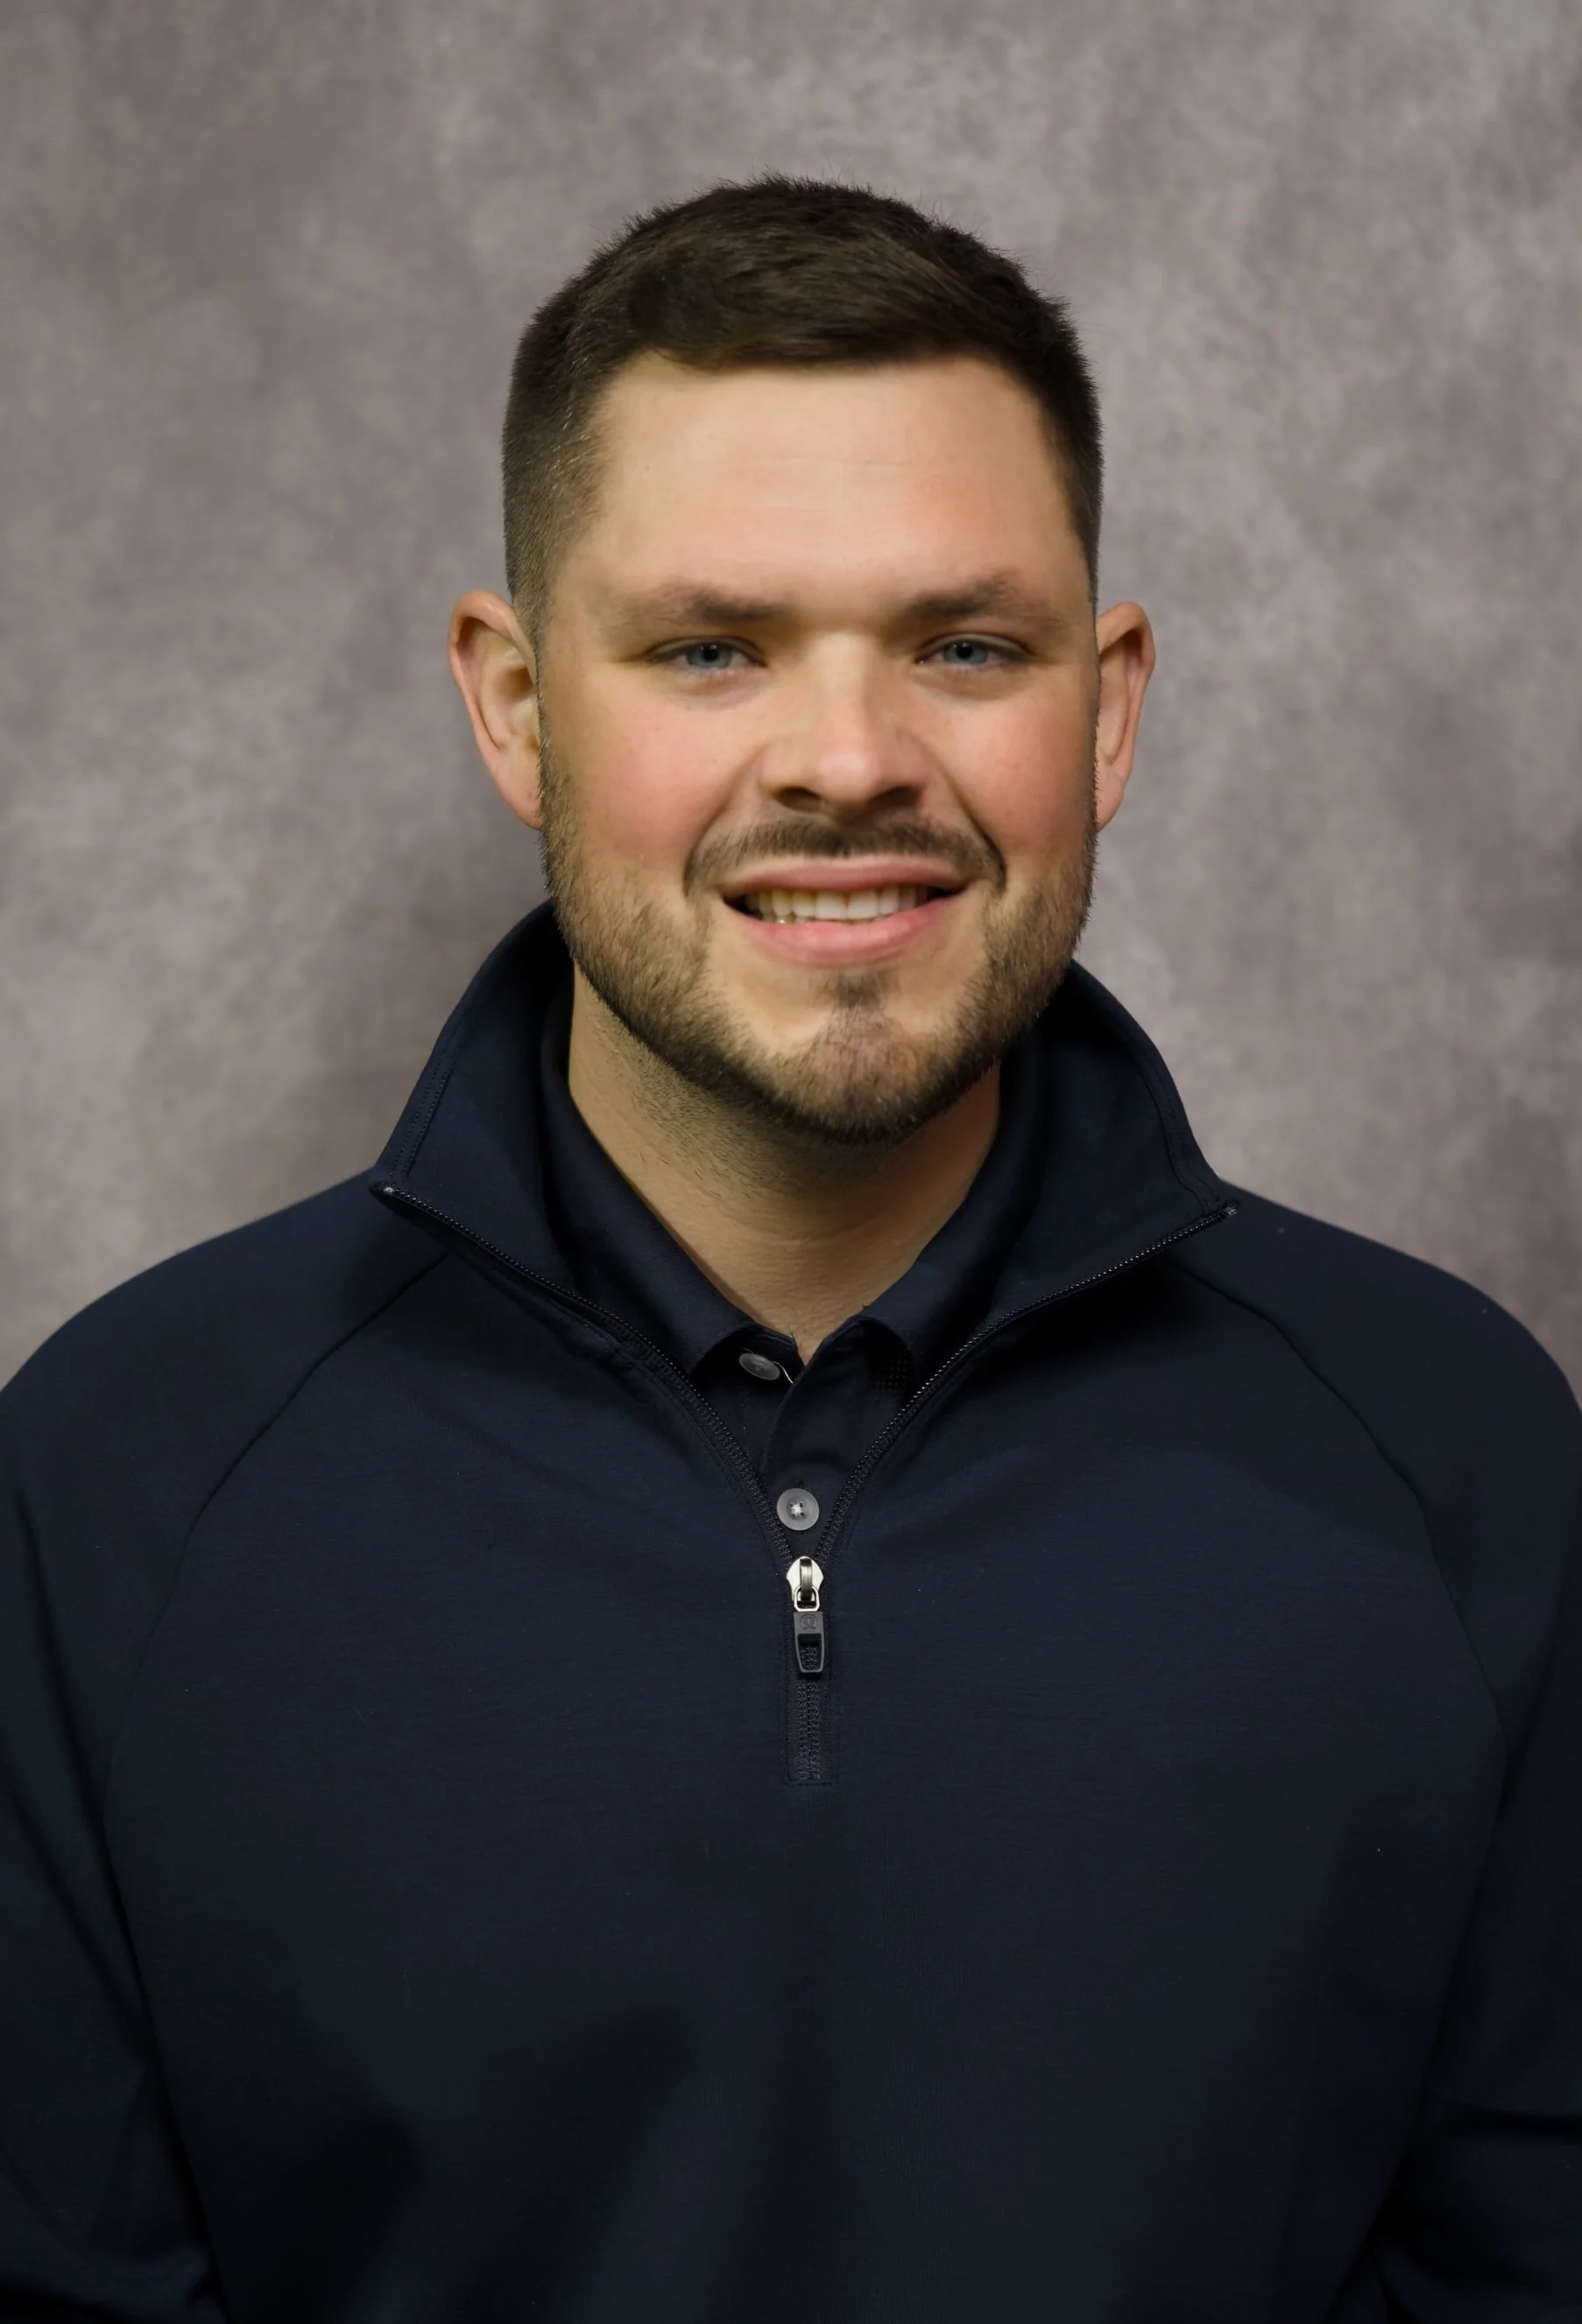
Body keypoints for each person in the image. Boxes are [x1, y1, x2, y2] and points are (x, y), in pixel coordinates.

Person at [1, 177, 1578, 2324]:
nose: (848, 764)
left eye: (965, 647)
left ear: (1104, 711)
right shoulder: (112, 1483)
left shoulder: (1459, 1457)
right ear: (517, 702)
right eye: (711, 649)